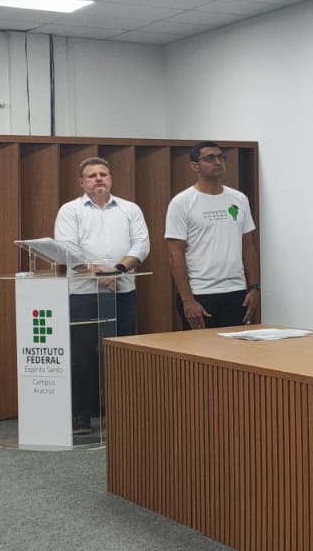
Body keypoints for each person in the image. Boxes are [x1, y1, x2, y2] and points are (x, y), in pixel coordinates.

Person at [55, 157, 149, 432]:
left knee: (122, 351)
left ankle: (120, 410)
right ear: (81, 182)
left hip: (122, 290)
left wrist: (118, 270)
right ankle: (81, 414)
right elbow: (68, 249)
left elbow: (142, 245)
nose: (99, 178)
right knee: (82, 354)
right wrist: (100, 274)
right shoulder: (70, 210)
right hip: (82, 293)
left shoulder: (129, 209)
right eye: (92, 175)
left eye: (103, 174)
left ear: (111, 179)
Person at [165, 142, 260, 329]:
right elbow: (175, 255)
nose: (217, 162)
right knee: (201, 347)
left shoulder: (239, 199)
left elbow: (248, 247)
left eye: (221, 157)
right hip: (200, 293)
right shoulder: (181, 202)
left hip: (236, 291)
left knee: (234, 346)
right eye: (210, 158)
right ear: (195, 166)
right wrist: (187, 300)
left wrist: (254, 287)